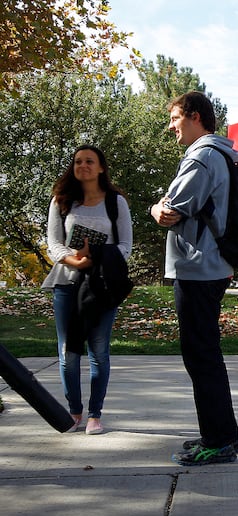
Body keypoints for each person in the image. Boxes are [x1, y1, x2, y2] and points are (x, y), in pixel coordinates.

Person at [148, 91, 238, 466]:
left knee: (200, 356)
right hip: (210, 265)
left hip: (198, 268)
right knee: (206, 355)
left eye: (176, 118)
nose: (172, 126)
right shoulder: (220, 154)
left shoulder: (202, 156)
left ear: (196, 117)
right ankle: (222, 435)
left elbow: (171, 210)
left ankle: (218, 441)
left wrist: (156, 206)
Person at [42, 145, 133, 435]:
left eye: (90, 161)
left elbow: (125, 247)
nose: (83, 166)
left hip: (102, 285)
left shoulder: (116, 202)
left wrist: (94, 257)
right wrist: (73, 261)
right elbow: (53, 244)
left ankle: (95, 414)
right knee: (68, 351)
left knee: (99, 350)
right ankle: (74, 411)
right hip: (66, 283)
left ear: (101, 168)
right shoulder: (61, 200)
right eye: (78, 161)